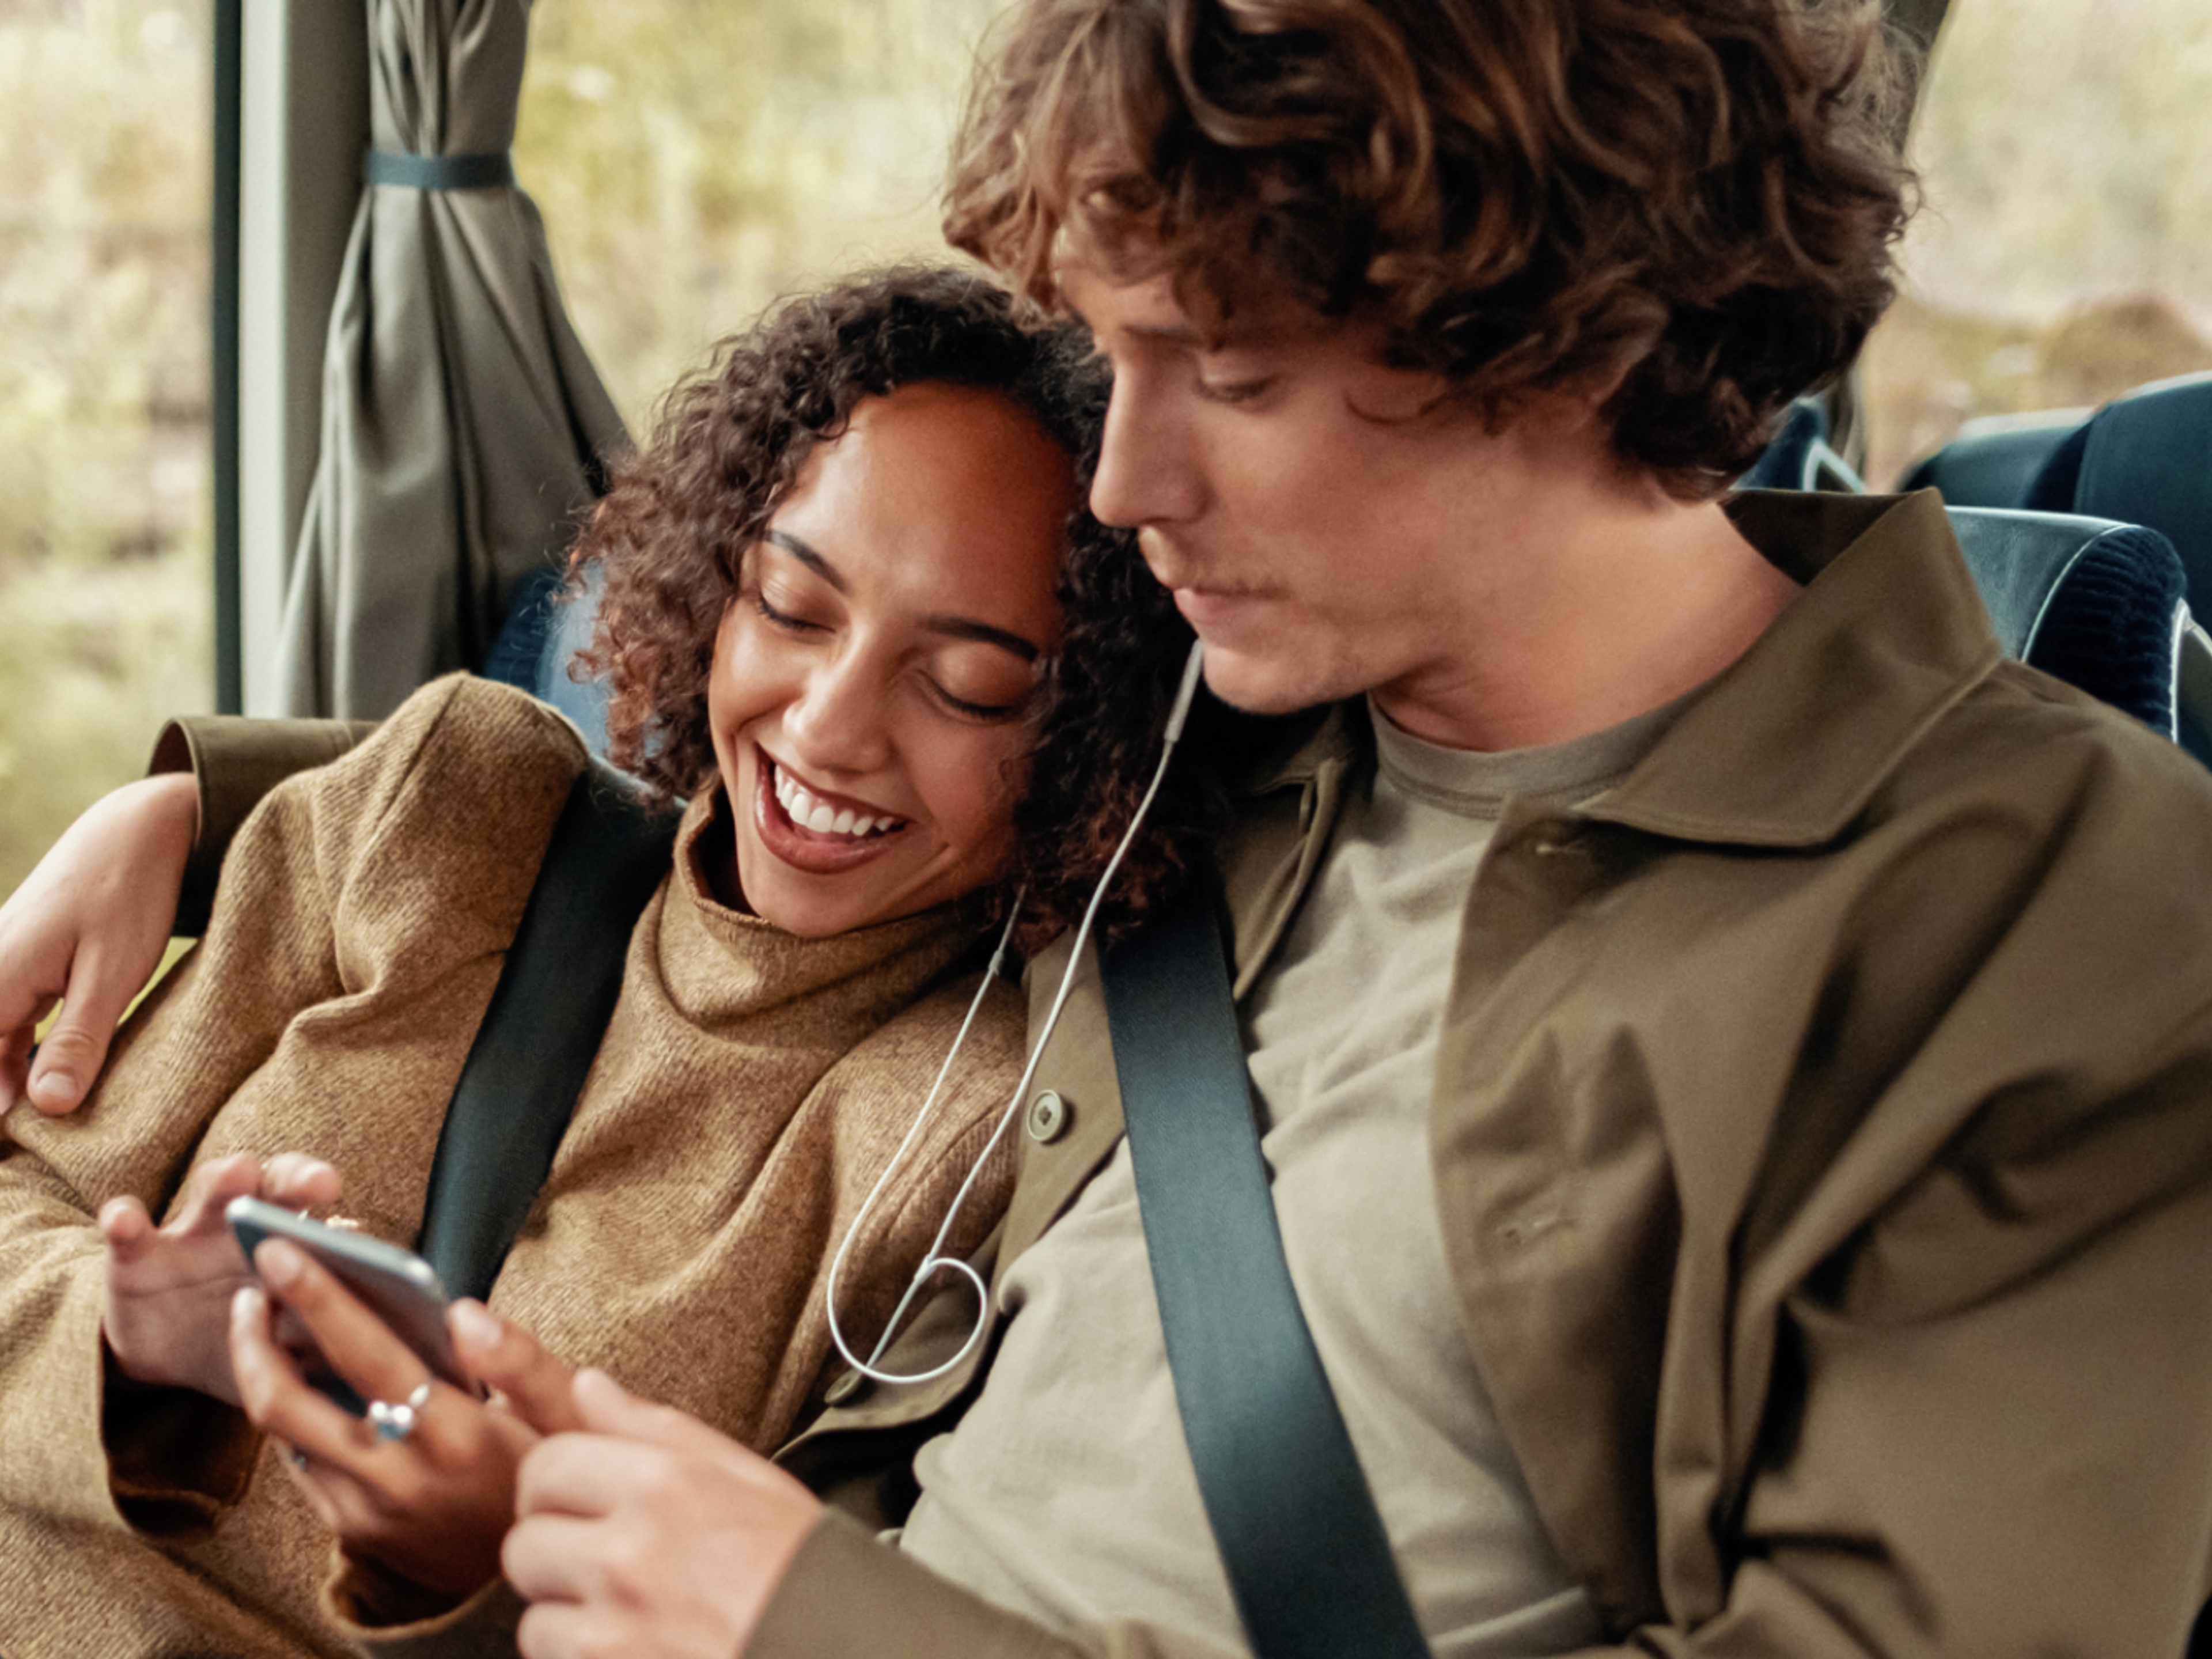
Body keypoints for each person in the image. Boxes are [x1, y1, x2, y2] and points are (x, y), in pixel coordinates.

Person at [10, 0, 2212, 1656]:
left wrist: (802, 1625)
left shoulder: (2057, 927)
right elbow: (696, 786)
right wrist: (192, 805)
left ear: (1552, 341)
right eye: (1110, 357)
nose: (1129, 486)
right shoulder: (1221, 750)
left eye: (1222, 377)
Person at [0, 266, 1210, 1658]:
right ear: (712, 586)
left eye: (969, 685)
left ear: (1099, 735)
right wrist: (129, 1341)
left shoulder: (966, 1147)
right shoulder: (447, 809)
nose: (829, 728)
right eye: (794, 608)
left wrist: (490, 1570)